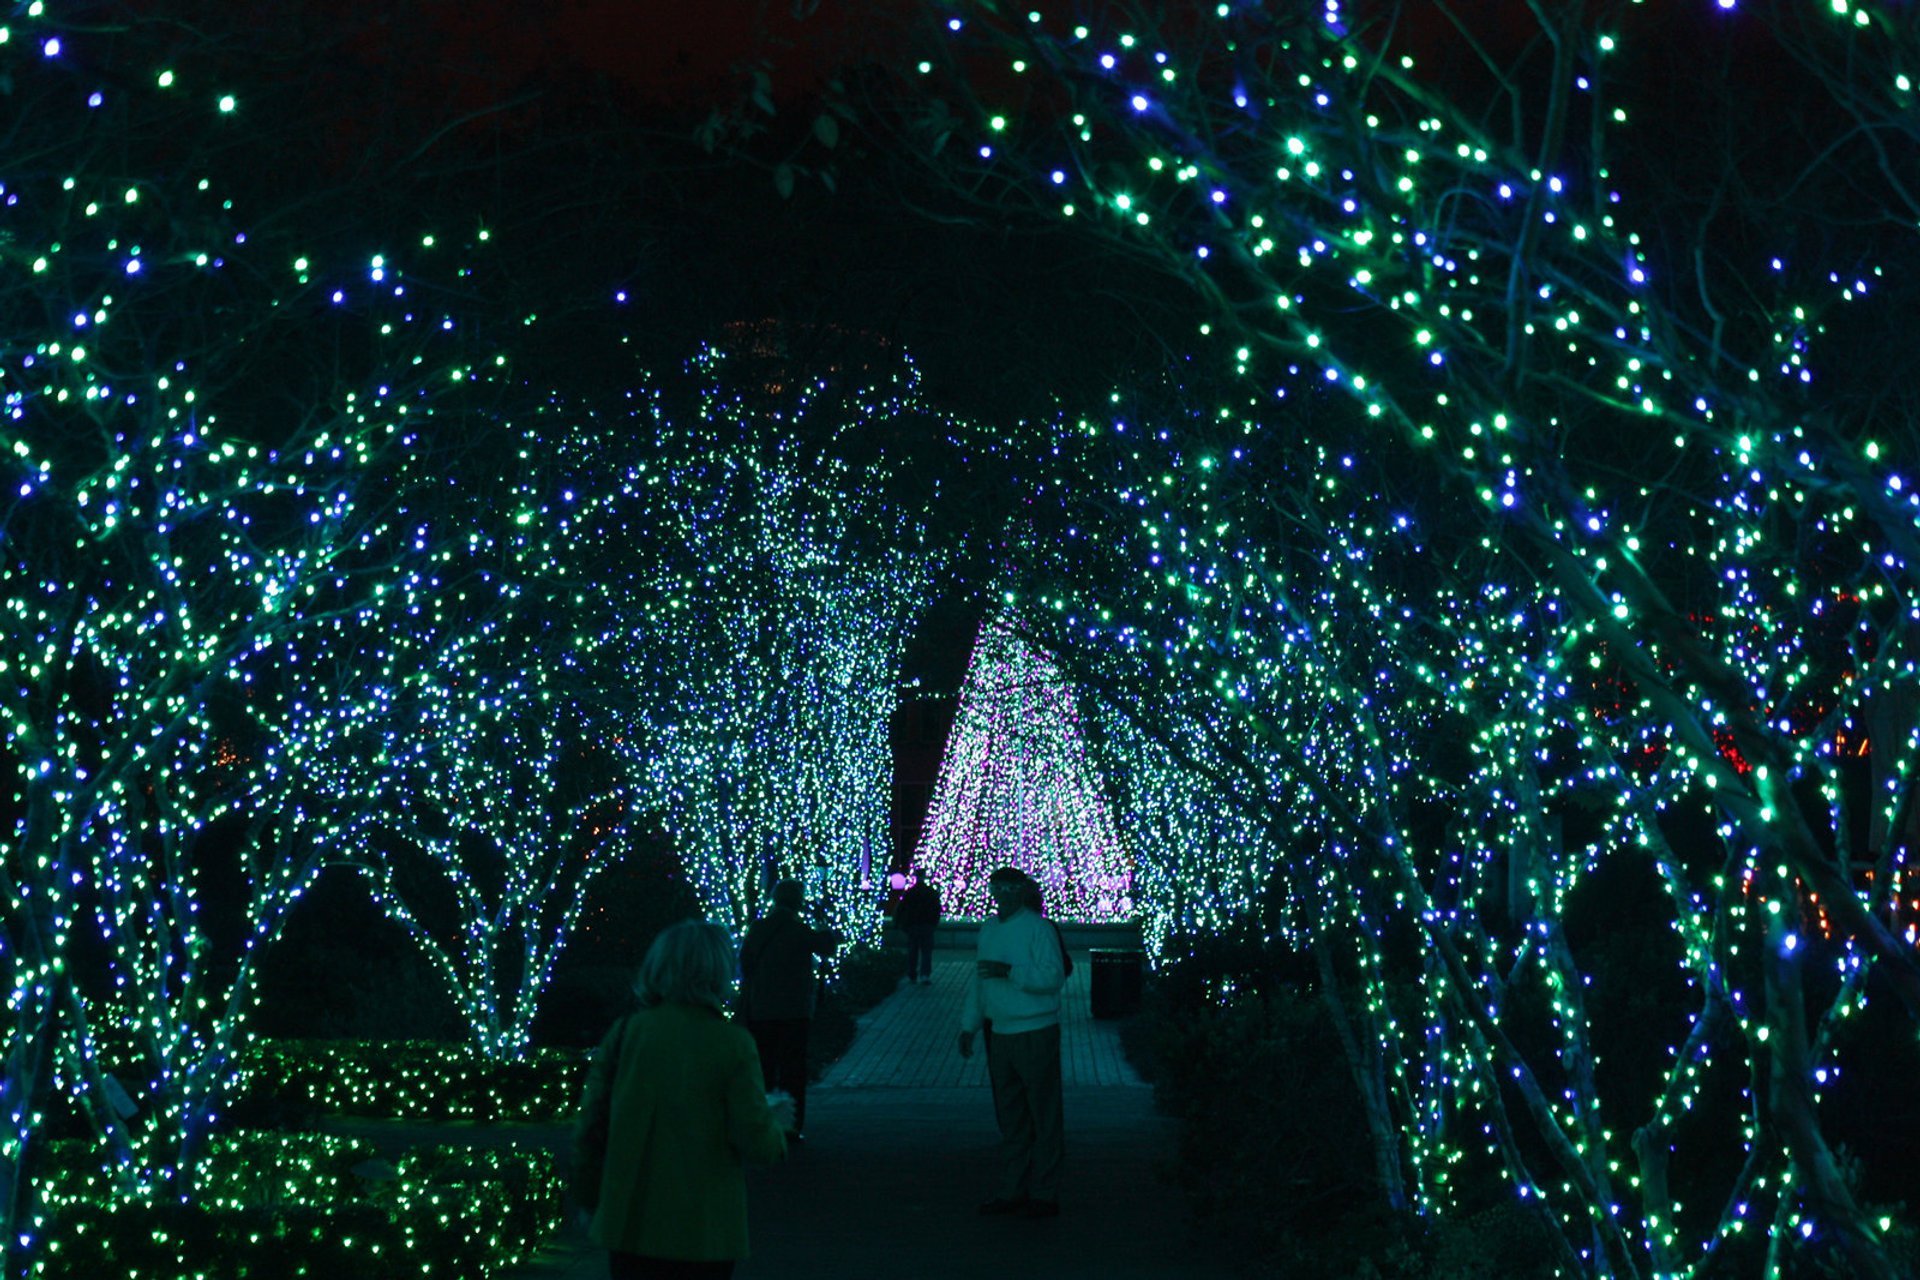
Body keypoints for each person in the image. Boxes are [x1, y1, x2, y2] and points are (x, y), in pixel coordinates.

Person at [573, 919, 791, 1280]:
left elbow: (591, 1125)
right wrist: (777, 1126)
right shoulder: (732, 1043)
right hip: (704, 1229)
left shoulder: (626, 1033)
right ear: (718, 971)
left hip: (631, 1219)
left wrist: (587, 1194)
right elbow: (757, 1142)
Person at [957, 866, 1067, 1219]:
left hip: (1035, 1030)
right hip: (1000, 1031)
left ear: (1023, 890)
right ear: (991, 890)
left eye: (1011, 887)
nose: (1004, 893)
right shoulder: (988, 930)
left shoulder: (1039, 928)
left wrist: (1012, 972)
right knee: (1011, 1115)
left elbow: (1053, 975)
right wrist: (969, 1025)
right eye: (999, 887)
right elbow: (980, 981)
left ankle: (1044, 1191)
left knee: (1043, 1111)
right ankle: (1013, 1188)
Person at [738, 878, 843, 1140]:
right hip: (794, 1011)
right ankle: (790, 1126)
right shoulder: (799, 930)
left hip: (761, 1009)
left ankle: (759, 1123)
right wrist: (824, 923)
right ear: (798, 901)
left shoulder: (758, 928)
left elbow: (745, 963)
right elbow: (828, 947)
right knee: (792, 1069)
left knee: (763, 1067)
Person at [898, 869, 942, 985]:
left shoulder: (910, 892)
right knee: (926, 951)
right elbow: (937, 910)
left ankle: (912, 974)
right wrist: (933, 924)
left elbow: (902, 908)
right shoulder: (931, 892)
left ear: (915, 877)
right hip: (927, 926)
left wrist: (902, 924)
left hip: (913, 925)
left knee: (913, 950)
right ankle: (924, 975)